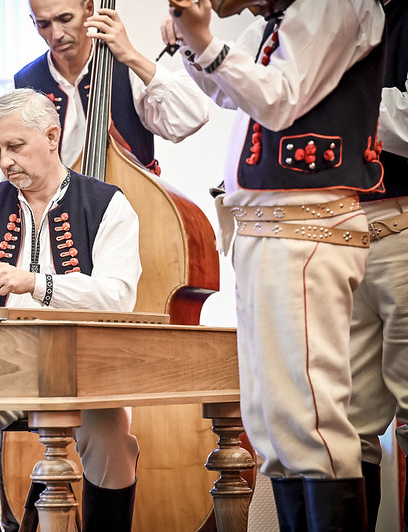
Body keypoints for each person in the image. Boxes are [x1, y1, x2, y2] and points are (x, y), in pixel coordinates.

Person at [165, 0, 385, 530]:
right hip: (270, 229)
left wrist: (206, 40)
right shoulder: (279, 21)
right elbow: (230, 91)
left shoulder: (333, 4)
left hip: (307, 230)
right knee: (272, 423)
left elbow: (279, 101)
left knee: (310, 419)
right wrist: (195, 45)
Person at [0, 88, 142, 532]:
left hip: (81, 375)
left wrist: (38, 284)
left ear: (51, 136)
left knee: (113, 440)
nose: (5, 161)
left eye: (15, 147)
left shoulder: (108, 204)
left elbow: (117, 296)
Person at [0, 0, 210, 247]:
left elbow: (190, 117)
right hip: (53, 236)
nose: (55, 34)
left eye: (65, 19)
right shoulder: (25, 85)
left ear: (89, 8)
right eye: (43, 24)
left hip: (136, 228)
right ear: (33, 23)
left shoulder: (128, 71)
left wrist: (131, 55)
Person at [347, 1, 408, 530]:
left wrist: (348, 93)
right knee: (346, 425)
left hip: (403, 230)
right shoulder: (333, 17)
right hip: (336, 236)